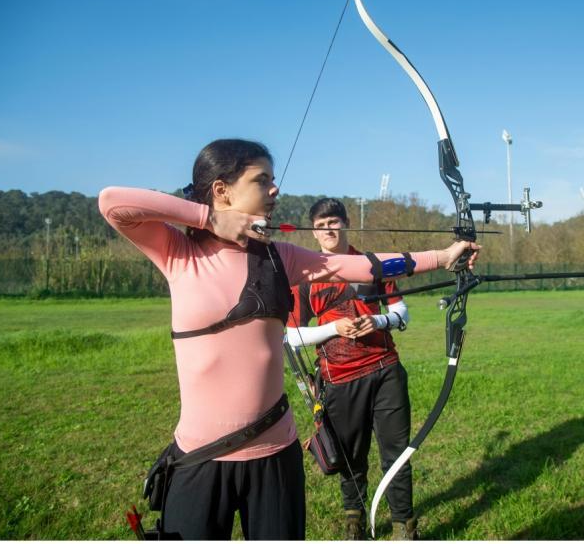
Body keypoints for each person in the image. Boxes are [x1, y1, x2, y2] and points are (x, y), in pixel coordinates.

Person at [98, 138, 479, 540]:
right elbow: (112, 202)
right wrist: (210, 219)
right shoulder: (178, 251)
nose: (275, 188)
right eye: (262, 180)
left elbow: (365, 267)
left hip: (275, 454)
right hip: (201, 457)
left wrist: (441, 257)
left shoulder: (280, 256)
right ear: (222, 190)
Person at [285, 198, 419, 540]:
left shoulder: (373, 265)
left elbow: (401, 312)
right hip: (339, 379)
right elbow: (292, 336)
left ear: (346, 223)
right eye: (320, 225)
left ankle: (404, 525)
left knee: (396, 452)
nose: (328, 230)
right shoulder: (305, 276)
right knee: (349, 456)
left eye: (333, 222)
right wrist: (334, 328)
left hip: (385, 370)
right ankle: (354, 521)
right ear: (313, 233)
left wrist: (378, 321)